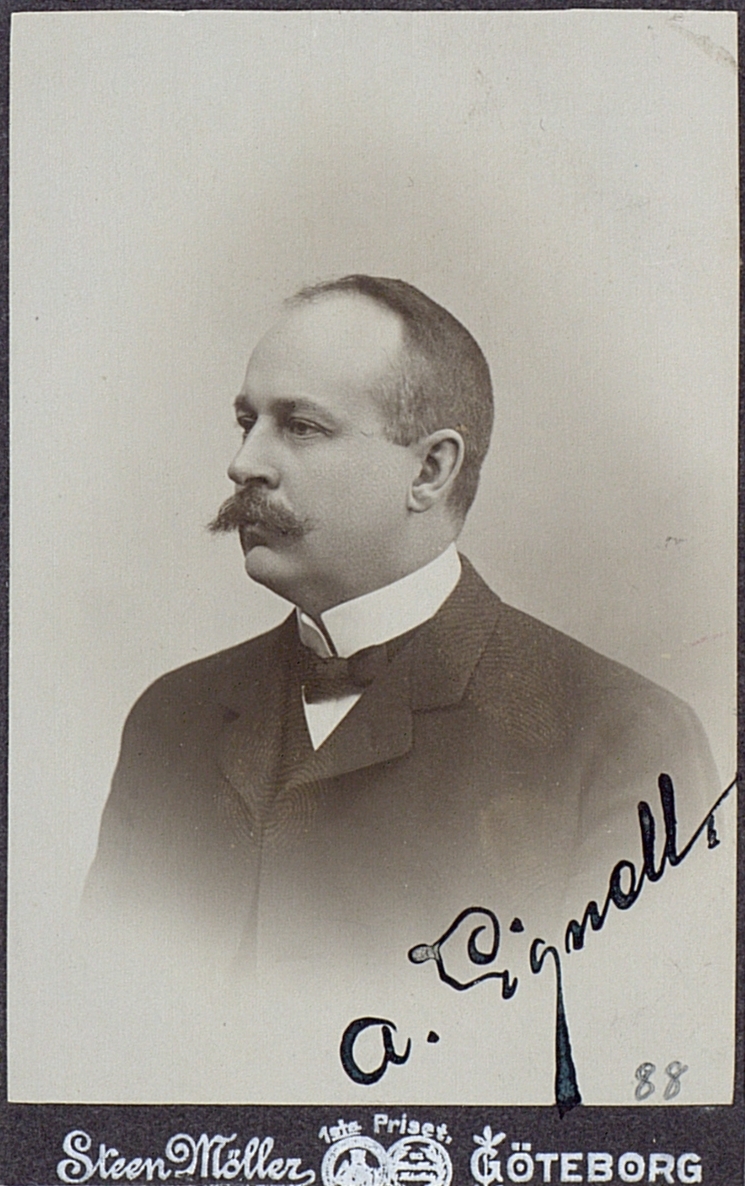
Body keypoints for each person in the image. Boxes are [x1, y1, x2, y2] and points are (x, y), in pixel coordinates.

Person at [85, 275, 719, 975]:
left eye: (301, 427)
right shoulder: (172, 717)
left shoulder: (623, 739)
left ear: (430, 471)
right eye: (247, 423)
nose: (244, 464)